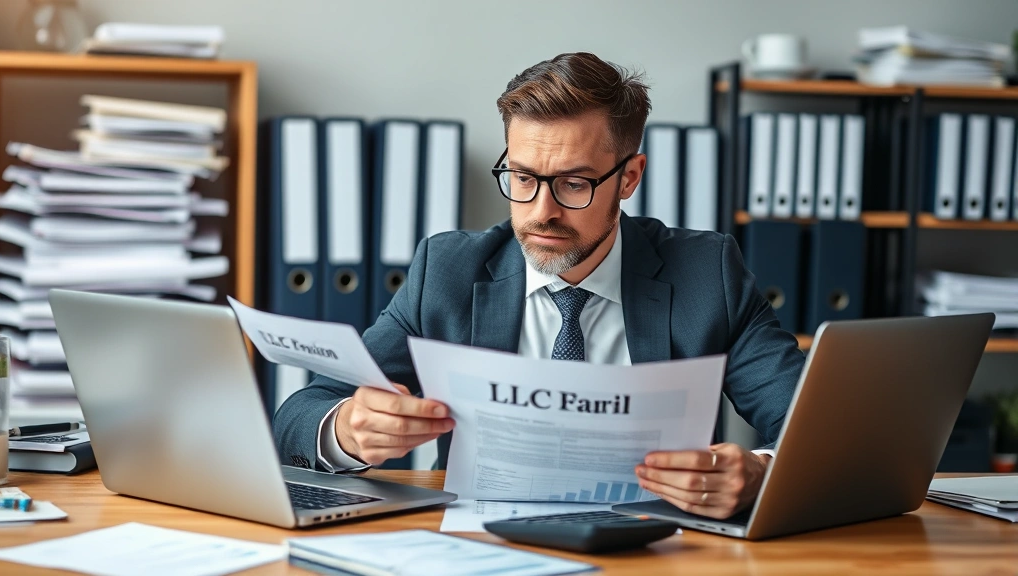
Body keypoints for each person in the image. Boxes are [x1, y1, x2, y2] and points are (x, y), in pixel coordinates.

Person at [274, 52, 805, 520]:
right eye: (523, 178)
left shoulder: (706, 273)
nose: (541, 212)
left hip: (651, 550)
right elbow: (301, 414)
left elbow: (815, 435)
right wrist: (346, 429)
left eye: (574, 183)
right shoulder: (448, 270)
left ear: (629, 177)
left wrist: (759, 474)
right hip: (481, 548)